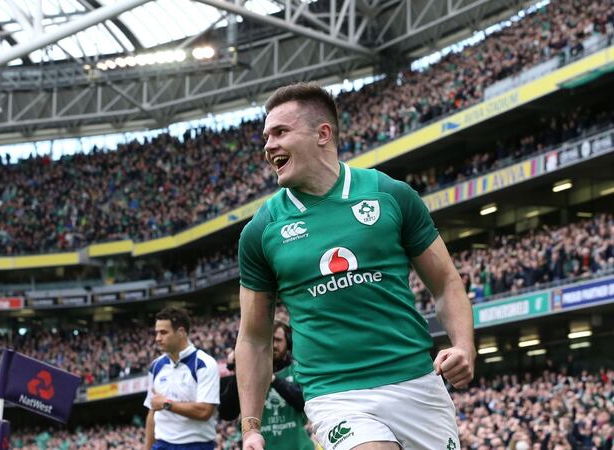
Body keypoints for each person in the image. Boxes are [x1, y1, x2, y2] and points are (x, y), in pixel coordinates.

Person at [236, 82, 475, 450]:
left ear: (322, 133)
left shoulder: (390, 194)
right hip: (335, 395)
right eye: (266, 136)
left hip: (415, 382)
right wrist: (251, 425)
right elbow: (253, 336)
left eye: (280, 132)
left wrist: (463, 346)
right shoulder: (262, 230)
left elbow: (444, 281)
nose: (268, 146)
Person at [220, 321, 314, 450]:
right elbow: (227, 413)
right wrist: (240, 369)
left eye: (278, 340)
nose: (273, 345)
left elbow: (304, 402)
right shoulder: (248, 375)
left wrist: (273, 379)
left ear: (288, 343)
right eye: (268, 340)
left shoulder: (297, 369)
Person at [143, 307, 220, 450]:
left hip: (197, 445)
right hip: (162, 445)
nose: (158, 338)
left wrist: (167, 404)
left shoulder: (204, 364)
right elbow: (152, 411)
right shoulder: (156, 366)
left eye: (163, 333)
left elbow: (204, 412)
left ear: (181, 332)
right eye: (157, 333)